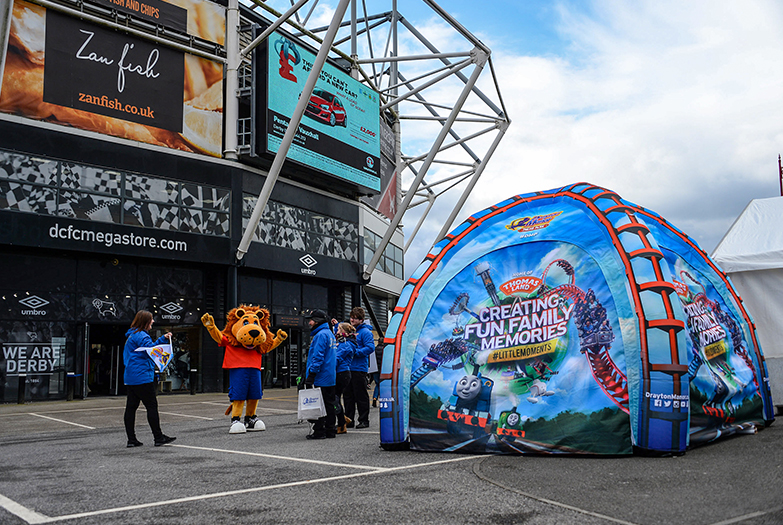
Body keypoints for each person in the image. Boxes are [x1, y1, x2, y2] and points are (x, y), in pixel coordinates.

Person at [123, 310, 176, 448]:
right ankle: (158, 437)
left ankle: (131, 439)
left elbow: (149, 348)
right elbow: (153, 351)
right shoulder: (141, 335)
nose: (153, 322)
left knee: (131, 408)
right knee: (151, 406)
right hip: (142, 377)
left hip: (131, 377)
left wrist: (162, 338)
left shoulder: (133, 335)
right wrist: (164, 341)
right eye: (151, 319)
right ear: (145, 321)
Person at [304, 309, 337, 439]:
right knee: (329, 404)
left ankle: (319, 430)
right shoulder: (330, 334)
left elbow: (318, 357)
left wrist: (312, 374)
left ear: (317, 321)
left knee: (319, 404)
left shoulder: (320, 336)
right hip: (330, 376)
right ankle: (330, 430)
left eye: (311, 320)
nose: (309, 322)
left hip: (320, 376)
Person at [342, 307, 374, 429]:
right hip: (348, 367)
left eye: (355, 318)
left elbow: (370, 347)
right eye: (351, 317)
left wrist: (356, 352)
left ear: (361, 320)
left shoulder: (365, 332)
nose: (352, 320)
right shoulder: (350, 331)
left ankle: (364, 420)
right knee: (348, 396)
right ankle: (349, 420)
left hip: (359, 368)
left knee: (361, 395)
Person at [334, 322, 356, 434]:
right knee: (335, 397)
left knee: (334, 397)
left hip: (341, 373)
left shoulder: (346, 344)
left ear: (344, 332)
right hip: (342, 373)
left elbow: (337, 358)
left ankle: (342, 422)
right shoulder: (345, 342)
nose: (336, 332)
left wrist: (330, 368)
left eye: (338, 330)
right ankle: (342, 420)